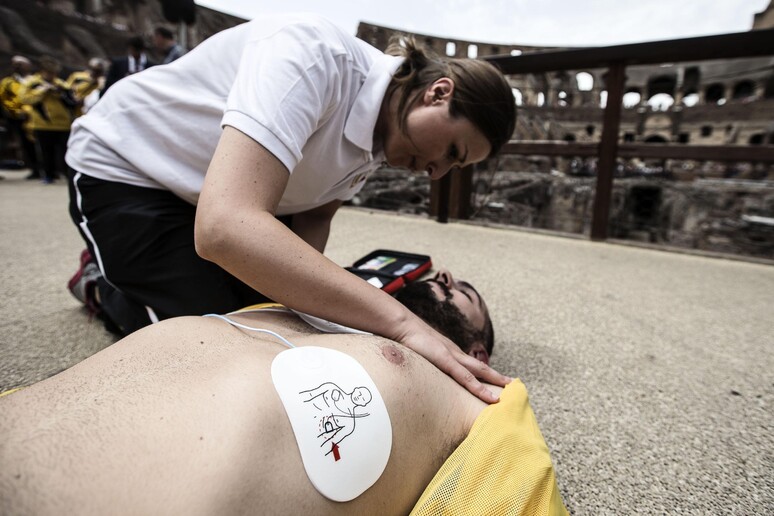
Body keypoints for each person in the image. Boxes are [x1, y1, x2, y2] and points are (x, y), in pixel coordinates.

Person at [65, 13, 516, 403]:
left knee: (278, 331)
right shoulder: (314, 55)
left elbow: (316, 214)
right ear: (438, 93)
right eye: (453, 152)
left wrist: (300, 309)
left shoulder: (388, 136)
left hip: (225, 195)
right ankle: (101, 283)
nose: (438, 173)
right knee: (215, 345)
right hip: (132, 170)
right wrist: (400, 322)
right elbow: (225, 226)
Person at [0, 278, 567, 515]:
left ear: (479, 353)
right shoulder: (306, 305)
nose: (443, 274)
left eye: (463, 291)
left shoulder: (482, 399)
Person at [18, 56, 74, 184]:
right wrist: (41, 92)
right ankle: (48, 175)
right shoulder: (31, 83)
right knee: (45, 151)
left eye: (54, 73)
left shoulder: (61, 84)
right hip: (42, 123)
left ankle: (65, 174)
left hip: (63, 124)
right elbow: (24, 99)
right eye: (49, 72)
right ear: (42, 71)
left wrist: (62, 94)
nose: (52, 75)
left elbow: (72, 102)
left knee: (65, 151)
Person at [0, 55, 40, 180]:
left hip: (39, 117)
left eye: (22, 64)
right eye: (16, 64)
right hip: (18, 118)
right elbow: (5, 100)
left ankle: (48, 169)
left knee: (42, 143)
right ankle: (34, 168)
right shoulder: (7, 82)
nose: (19, 67)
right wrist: (16, 111)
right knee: (25, 143)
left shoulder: (36, 80)